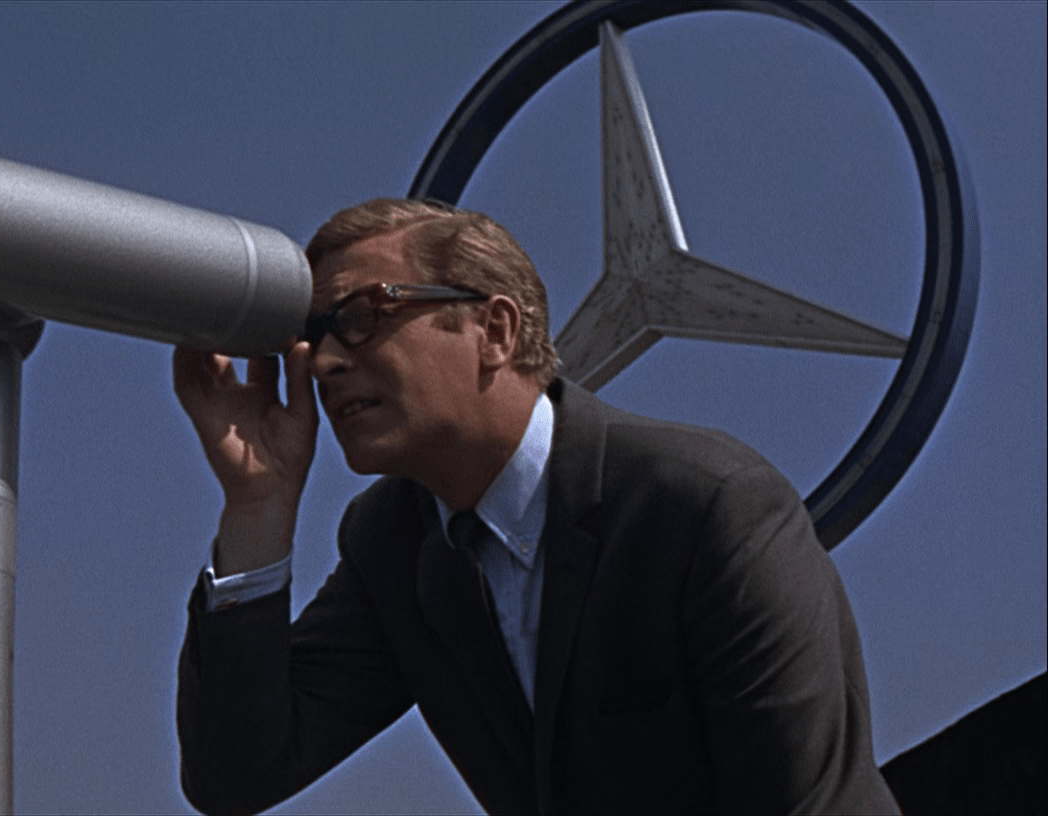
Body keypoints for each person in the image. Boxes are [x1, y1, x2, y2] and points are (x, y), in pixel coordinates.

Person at [171, 199, 898, 815]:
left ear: (495, 331)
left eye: (363, 315)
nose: (325, 361)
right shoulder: (391, 544)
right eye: (314, 335)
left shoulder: (707, 509)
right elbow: (236, 778)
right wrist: (257, 506)